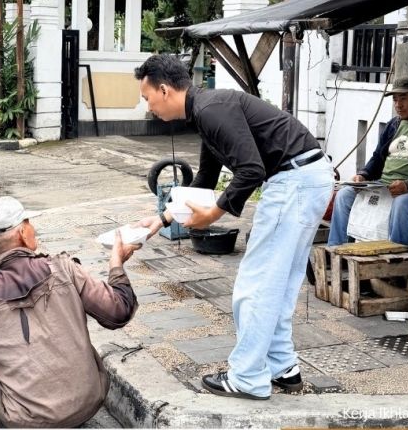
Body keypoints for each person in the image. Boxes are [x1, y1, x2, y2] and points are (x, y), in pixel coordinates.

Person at [134, 53, 334, 401]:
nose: (148, 107)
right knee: (279, 285)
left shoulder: (211, 110)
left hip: (294, 182)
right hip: (306, 177)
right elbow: (207, 179)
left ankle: (247, 377)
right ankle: (283, 367)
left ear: (164, 90)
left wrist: (212, 216)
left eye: (146, 97)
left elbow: (251, 171)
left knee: (254, 285)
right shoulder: (206, 111)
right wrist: (162, 219)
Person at [0, 196, 140, 428]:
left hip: (24, 421)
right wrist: (116, 264)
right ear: (23, 232)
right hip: (88, 401)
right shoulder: (64, 267)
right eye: (29, 222)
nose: (33, 228)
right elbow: (119, 311)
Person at [327, 76, 408, 248]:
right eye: (395, 100)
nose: (398, 105)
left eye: (403, 99)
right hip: (385, 185)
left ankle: (395, 258)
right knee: (344, 195)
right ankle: (336, 250)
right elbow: (378, 157)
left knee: (402, 203)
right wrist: (363, 175)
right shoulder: (393, 125)